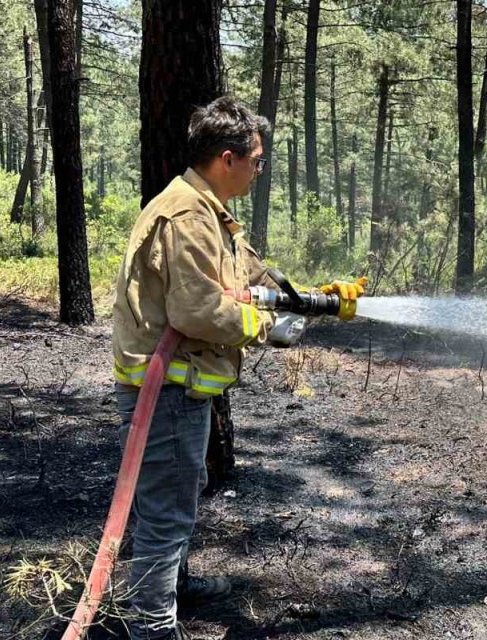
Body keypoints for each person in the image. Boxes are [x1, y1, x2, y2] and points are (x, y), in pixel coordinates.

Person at [109, 96, 364, 640]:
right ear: (228, 158)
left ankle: (171, 587)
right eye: (256, 160)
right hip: (167, 389)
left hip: (180, 387)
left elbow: (253, 279)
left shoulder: (211, 216)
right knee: (167, 511)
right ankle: (152, 627)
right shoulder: (186, 217)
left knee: (181, 489)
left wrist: (319, 297)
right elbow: (198, 310)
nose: (259, 170)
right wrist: (266, 329)